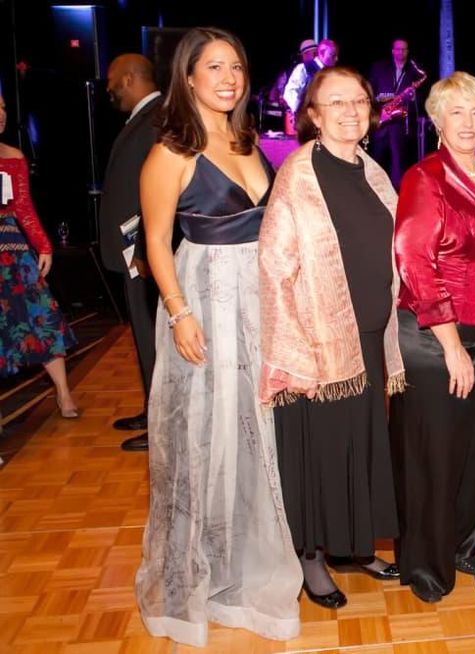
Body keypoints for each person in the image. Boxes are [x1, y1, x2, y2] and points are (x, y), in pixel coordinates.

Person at [133, 27, 301, 647]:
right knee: (204, 437)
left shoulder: (249, 141)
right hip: (206, 298)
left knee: (254, 431)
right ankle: (191, 577)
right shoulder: (170, 154)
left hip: (258, 300)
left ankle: (242, 565)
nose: (229, 78)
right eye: (214, 67)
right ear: (189, 77)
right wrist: (179, 313)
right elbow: (155, 242)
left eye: (236, 67)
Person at [258, 66, 405, 610]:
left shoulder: (372, 170)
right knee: (321, 455)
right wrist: (296, 352)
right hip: (318, 347)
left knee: (360, 449)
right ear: (313, 115)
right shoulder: (298, 175)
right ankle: (311, 557)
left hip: (367, 336)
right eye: (335, 103)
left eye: (358, 101)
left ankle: (354, 546)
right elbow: (275, 268)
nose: (349, 111)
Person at [390, 71, 475, 604]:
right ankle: (425, 563)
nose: (468, 123)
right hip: (434, 333)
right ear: (437, 122)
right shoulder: (424, 178)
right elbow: (415, 264)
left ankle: (461, 542)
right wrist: (449, 345)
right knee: (434, 450)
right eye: (456, 113)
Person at [0, 94, 79, 419]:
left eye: (3, 107)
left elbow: (23, 208)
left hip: (13, 251)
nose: (1, 114)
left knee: (41, 316)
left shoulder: (12, 155)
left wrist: (43, 246)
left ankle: (63, 393)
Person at [99, 53, 162, 452]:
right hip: (132, 250)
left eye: (111, 80)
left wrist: (141, 247)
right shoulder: (145, 117)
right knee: (142, 334)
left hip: (141, 250)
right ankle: (152, 409)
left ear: (128, 79)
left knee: (152, 335)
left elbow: (156, 192)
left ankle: (161, 425)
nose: (107, 88)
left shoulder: (158, 118)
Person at [368, 38, 426, 190]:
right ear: (393, 50)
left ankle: (396, 192)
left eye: (404, 49)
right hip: (382, 117)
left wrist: (413, 96)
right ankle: (375, 187)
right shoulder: (379, 67)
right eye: (398, 49)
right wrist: (380, 109)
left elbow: (421, 97)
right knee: (377, 156)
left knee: (398, 161)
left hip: (399, 121)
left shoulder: (413, 70)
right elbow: (370, 91)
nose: (401, 52)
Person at [283, 39, 339, 133]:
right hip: (308, 124)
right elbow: (290, 92)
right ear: (321, 53)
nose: (336, 59)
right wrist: (299, 112)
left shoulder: (331, 74)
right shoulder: (304, 69)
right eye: (332, 55)